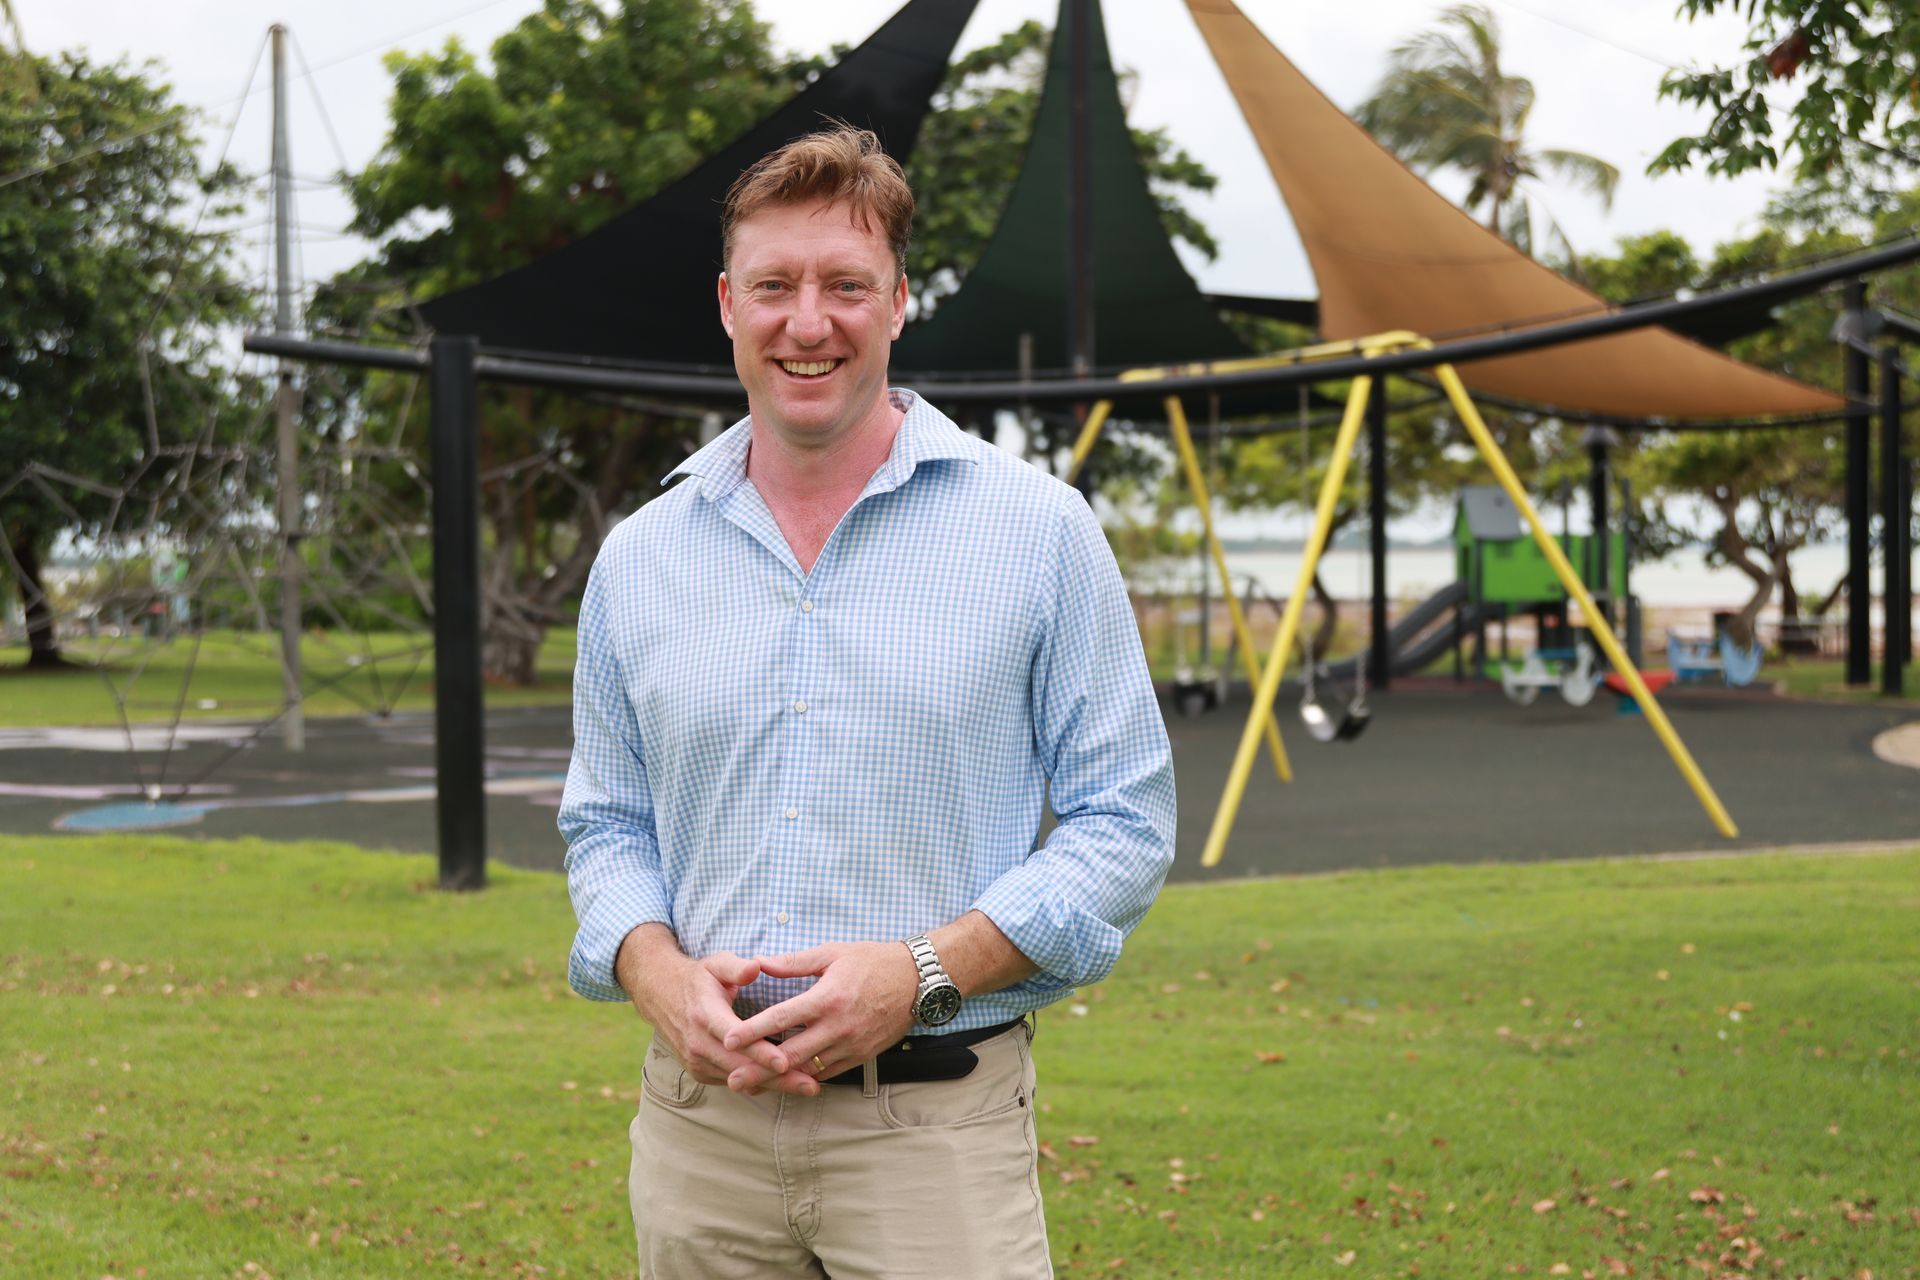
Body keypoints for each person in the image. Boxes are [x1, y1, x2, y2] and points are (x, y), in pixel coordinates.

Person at [559, 123, 1175, 1280]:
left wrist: (923, 971)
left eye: (846, 285)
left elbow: (1123, 822)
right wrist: (653, 968)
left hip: (933, 1136)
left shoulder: (1039, 533)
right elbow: (607, 823)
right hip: (699, 1131)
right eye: (775, 285)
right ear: (727, 303)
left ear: (897, 302)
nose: (809, 322)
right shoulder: (638, 556)